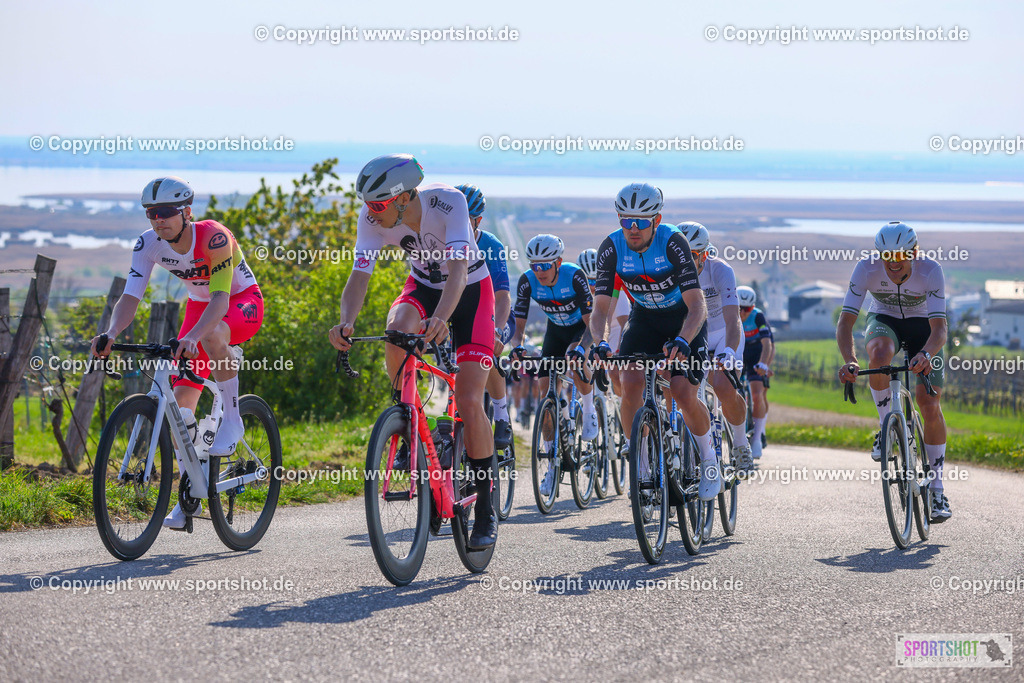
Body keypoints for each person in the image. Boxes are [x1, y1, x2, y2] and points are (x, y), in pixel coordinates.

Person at [328, 154, 498, 548]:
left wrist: (441, 319)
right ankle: (413, 425)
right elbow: (359, 275)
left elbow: (458, 273)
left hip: (471, 292)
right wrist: (346, 322)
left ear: (404, 197)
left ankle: (486, 509)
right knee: (396, 331)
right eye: (367, 204)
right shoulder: (371, 219)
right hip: (422, 285)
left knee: (469, 400)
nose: (371, 213)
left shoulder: (449, 202)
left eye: (379, 204)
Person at [90, 176, 264, 529]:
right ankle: (190, 494)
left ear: (187, 212)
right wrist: (110, 333)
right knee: (180, 410)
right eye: (151, 213)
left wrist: (194, 336)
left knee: (212, 336)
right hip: (199, 308)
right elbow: (131, 297)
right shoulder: (148, 244)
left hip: (240, 301)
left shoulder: (214, 236)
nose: (159, 220)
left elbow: (220, 299)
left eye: (166, 212)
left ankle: (233, 419)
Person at [589, 183, 719, 501]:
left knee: (682, 391)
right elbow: (601, 308)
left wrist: (684, 340)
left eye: (641, 222)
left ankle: (709, 461)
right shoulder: (611, 247)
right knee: (629, 381)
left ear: (656, 220)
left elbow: (697, 305)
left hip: (684, 319)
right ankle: (642, 465)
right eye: (626, 220)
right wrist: (599, 342)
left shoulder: (673, 242)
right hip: (645, 319)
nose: (633, 229)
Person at [836, 222, 950, 521]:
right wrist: (850, 359)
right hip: (884, 320)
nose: (894, 262)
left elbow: (940, 329)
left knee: (929, 402)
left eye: (901, 255)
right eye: (886, 255)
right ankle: (886, 426)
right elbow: (845, 322)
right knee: (878, 355)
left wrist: (927, 354)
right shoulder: (866, 268)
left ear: (914, 252)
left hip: (925, 329)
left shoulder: (931, 270)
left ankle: (937, 489)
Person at [508, 234, 596, 496]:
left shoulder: (575, 275)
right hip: (555, 332)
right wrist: (517, 347)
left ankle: (588, 409)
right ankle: (551, 466)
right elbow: (518, 326)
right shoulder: (527, 281)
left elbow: (592, 323)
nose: (540, 271)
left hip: (579, 329)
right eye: (534, 265)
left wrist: (582, 348)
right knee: (544, 391)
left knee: (573, 357)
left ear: (558, 262)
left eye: (545, 265)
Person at [678, 222, 753, 469]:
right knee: (683, 389)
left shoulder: (720, 270)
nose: (685, 261)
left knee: (722, 385)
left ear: (704, 254)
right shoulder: (672, 273)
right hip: (694, 335)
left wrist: (729, 350)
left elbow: (733, 319)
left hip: (723, 334)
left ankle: (740, 442)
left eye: (692, 255)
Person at [456, 183, 513, 450]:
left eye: (464, 219)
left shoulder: (490, 245)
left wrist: (497, 331)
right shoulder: (441, 241)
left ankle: (501, 415)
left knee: (485, 350)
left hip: (494, 313)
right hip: (459, 313)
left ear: (477, 221)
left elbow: (502, 297)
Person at [737, 286, 773, 459]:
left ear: (752, 307)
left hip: (757, 352)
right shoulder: (729, 313)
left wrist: (764, 364)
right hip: (739, 351)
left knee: (758, 394)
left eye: (747, 309)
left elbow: (767, 344)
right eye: (740, 308)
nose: (743, 313)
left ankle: (757, 438)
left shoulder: (758, 316)